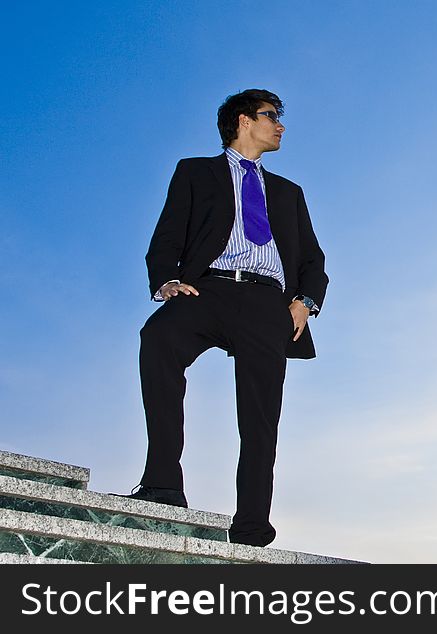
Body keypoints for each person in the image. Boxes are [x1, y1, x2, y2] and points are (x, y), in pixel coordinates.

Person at [118, 88, 329, 547]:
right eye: (271, 116)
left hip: (267, 302)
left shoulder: (290, 194)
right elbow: (168, 234)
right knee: (158, 339)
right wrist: (166, 281)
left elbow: (313, 260)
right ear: (243, 121)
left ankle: (252, 526)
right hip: (207, 288)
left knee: (259, 418)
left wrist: (304, 303)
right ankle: (162, 485)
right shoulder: (195, 172)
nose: (281, 125)